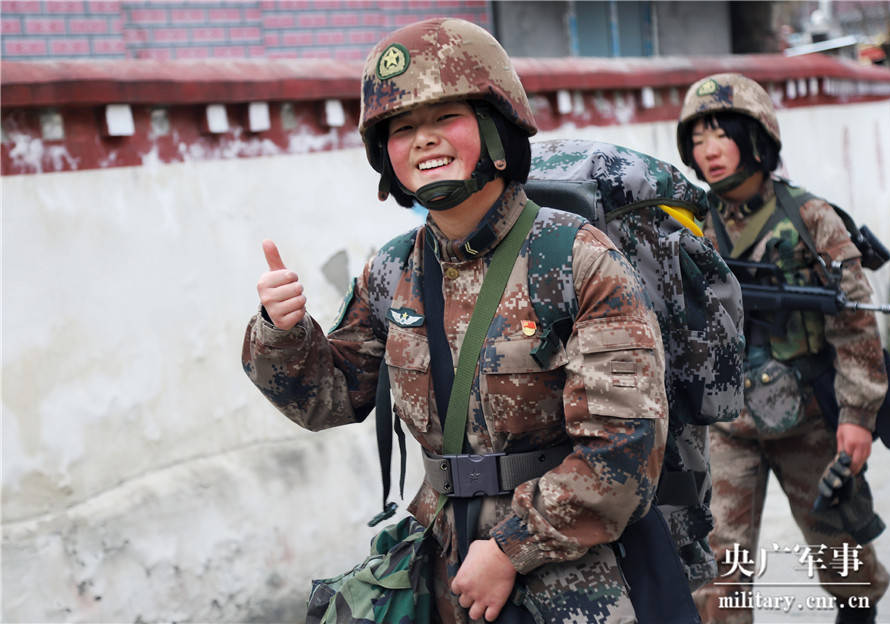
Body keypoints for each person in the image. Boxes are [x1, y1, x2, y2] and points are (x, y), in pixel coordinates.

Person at [243, 17, 672, 623]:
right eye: (402, 128)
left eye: (446, 118)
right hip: (436, 562)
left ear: (497, 128)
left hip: (571, 577)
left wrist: (509, 550)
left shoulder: (576, 259)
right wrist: (283, 333)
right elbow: (330, 398)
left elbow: (625, 447)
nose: (423, 140)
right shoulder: (392, 270)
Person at [676, 73, 890, 624]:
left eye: (721, 134)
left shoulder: (810, 217)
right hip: (725, 426)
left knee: (846, 563)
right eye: (697, 140)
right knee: (716, 573)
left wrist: (858, 416)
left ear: (757, 138)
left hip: (811, 421)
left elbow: (855, 322)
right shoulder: (689, 221)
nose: (709, 150)